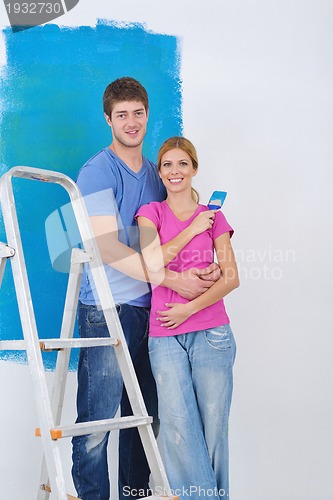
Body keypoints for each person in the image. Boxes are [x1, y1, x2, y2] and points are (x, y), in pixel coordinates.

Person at [72, 78, 221, 500]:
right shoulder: (97, 171)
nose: (132, 122)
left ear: (147, 114)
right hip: (108, 307)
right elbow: (105, 247)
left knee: (143, 418)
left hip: (152, 313)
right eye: (122, 115)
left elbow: (176, 236)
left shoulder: (158, 176)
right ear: (109, 120)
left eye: (138, 113)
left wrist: (206, 271)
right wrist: (174, 280)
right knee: (98, 423)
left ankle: (133, 494)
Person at [136, 136, 240, 499]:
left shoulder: (215, 215)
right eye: (167, 165)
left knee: (213, 428)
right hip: (163, 334)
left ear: (194, 169)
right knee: (178, 427)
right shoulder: (151, 212)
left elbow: (231, 277)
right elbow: (150, 263)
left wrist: (188, 307)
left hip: (211, 332)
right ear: (160, 172)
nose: (175, 171)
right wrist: (193, 230)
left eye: (182, 164)